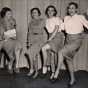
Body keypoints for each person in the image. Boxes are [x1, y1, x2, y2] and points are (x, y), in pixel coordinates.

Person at [53, 2, 88, 87]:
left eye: (73, 8)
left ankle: (56, 73)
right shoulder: (66, 18)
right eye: (69, 8)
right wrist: (58, 22)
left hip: (77, 40)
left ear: (76, 9)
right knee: (69, 60)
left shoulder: (81, 17)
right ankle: (73, 79)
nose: (71, 10)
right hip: (68, 39)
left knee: (61, 52)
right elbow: (62, 28)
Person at [41, 5, 64, 79]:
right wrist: (49, 38)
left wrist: (50, 39)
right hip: (51, 36)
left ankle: (44, 66)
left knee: (43, 48)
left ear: (54, 12)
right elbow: (49, 32)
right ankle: (53, 72)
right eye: (49, 10)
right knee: (52, 55)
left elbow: (56, 29)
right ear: (47, 12)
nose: (50, 12)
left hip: (57, 36)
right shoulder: (47, 20)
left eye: (52, 10)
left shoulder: (56, 18)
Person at [26, 8, 47, 78]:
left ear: (38, 13)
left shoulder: (42, 20)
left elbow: (39, 28)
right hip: (32, 39)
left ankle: (33, 70)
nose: (33, 14)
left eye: (35, 12)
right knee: (34, 56)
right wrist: (29, 43)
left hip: (39, 40)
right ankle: (35, 71)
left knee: (30, 53)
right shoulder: (30, 22)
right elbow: (29, 33)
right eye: (32, 13)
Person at [0, 7, 20, 73]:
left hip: (10, 39)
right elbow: (2, 34)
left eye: (11, 13)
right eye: (8, 13)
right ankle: (10, 63)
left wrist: (12, 32)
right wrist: (10, 33)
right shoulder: (1, 21)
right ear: (4, 14)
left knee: (18, 45)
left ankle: (16, 65)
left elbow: (14, 32)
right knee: (11, 56)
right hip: (2, 40)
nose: (10, 15)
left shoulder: (13, 20)